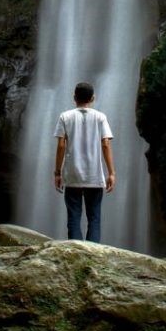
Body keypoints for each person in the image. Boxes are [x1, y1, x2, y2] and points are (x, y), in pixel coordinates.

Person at [53, 81, 116, 242]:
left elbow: (61, 146)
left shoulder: (65, 117)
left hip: (72, 174)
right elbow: (106, 144)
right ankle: (92, 255)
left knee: (73, 217)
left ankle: (75, 251)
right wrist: (111, 173)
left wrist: (57, 172)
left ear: (74, 98)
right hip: (94, 175)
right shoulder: (100, 117)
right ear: (93, 98)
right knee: (94, 218)